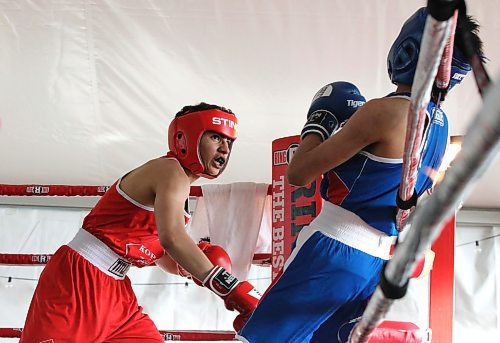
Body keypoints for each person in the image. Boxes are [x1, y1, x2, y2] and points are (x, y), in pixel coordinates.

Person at [238, 7, 484, 343]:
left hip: (333, 247)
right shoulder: (441, 126)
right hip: (374, 263)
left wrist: (319, 122)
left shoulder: (385, 111)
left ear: (408, 49)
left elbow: (299, 173)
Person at [20, 103, 261, 342]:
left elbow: (162, 252)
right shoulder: (170, 171)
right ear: (184, 138)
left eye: (229, 142)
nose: (224, 149)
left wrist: (189, 265)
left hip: (116, 290)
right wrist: (228, 287)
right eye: (216, 138)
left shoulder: (179, 187)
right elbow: (173, 239)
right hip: (79, 280)